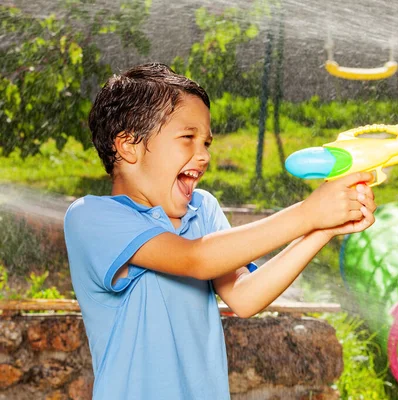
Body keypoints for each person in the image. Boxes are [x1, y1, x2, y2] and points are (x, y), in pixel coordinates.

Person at [63, 63, 376, 400]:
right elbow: (195, 259)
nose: (203, 155)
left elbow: (244, 297)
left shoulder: (203, 209)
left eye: (206, 142)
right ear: (128, 145)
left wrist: (323, 227)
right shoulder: (92, 217)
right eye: (188, 138)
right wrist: (307, 213)